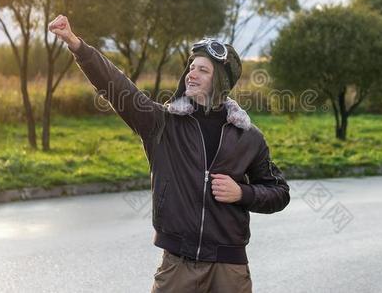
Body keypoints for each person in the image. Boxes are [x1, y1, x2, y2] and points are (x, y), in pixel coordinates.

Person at [48, 15, 290, 293]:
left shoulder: (248, 137)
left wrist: (243, 193)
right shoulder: (161, 124)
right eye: (191, 67)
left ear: (221, 81)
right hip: (177, 265)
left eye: (203, 70)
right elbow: (117, 88)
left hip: (229, 268)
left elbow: (279, 192)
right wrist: (77, 45)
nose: (192, 74)